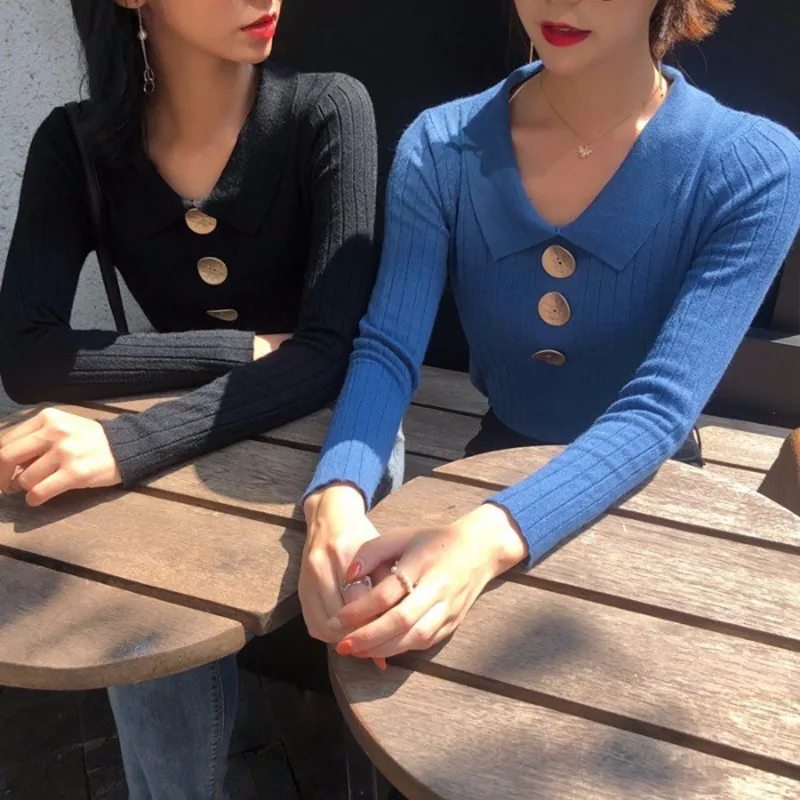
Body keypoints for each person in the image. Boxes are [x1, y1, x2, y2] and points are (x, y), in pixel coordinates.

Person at [300, 0, 800, 665]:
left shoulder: (752, 167)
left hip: (654, 487)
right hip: (492, 461)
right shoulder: (440, 147)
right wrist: (336, 495)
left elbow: (659, 408)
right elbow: (389, 346)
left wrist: (485, 539)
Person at [0, 0, 387, 797]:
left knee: (369, 602)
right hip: (194, 421)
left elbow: (331, 354)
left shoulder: (326, 110)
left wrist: (126, 443)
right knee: (124, 579)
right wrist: (238, 350)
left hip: (334, 428)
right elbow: (27, 353)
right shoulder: (76, 144)